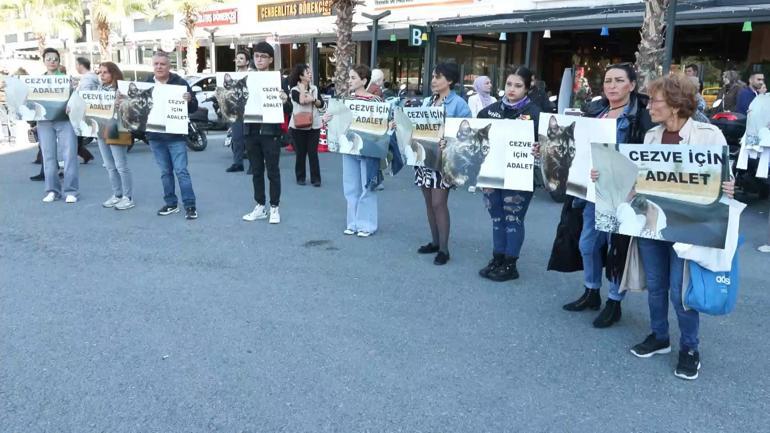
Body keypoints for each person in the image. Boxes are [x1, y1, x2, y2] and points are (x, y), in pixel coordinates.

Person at [592, 74, 734, 380]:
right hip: (652, 224)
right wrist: (603, 176)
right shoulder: (652, 136)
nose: (649, 107)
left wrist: (728, 188)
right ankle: (659, 336)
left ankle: (690, 348)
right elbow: (640, 180)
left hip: (687, 229)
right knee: (656, 285)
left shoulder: (709, 135)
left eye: (655, 101)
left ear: (676, 104)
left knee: (680, 292)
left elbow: (724, 180)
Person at [560, 63, 654, 328]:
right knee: (587, 244)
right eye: (608, 80)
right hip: (592, 192)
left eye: (619, 80)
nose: (612, 85)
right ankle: (591, 291)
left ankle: (614, 301)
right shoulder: (595, 112)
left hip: (623, 194)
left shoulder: (642, 117)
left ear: (632, 85)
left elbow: (646, 156)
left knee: (617, 249)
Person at [476, 66, 540, 281]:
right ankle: (498, 258)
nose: (512, 89)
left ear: (527, 88)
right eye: (509, 84)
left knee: (513, 217)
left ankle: (511, 264)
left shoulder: (535, 113)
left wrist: (539, 148)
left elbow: (547, 145)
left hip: (520, 175)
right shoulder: (489, 111)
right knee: (496, 216)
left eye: (518, 85)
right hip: (492, 173)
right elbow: (475, 138)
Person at [415, 63, 472, 264]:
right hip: (424, 157)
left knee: (438, 203)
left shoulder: (459, 104)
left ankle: (444, 249)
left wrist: (449, 140)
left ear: (450, 80)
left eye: (438, 77)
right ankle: (435, 242)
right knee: (428, 202)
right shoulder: (428, 101)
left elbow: (467, 133)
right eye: (432, 76)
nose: (433, 80)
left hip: (445, 160)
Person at [326, 64, 383, 237]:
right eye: (349, 78)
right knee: (351, 186)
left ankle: (366, 225)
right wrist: (328, 118)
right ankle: (353, 223)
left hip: (368, 149)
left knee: (367, 185)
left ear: (364, 81)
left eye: (353, 78)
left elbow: (382, 123)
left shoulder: (375, 101)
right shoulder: (345, 100)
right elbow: (336, 122)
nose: (349, 81)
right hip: (349, 147)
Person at [145, 51, 199, 220]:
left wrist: (189, 99)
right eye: (156, 64)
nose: (159, 67)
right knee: (165, 172)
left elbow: (194, 107)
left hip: (175, 136)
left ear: (169, 66)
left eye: (163, 64)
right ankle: (171, 204)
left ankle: (190, 206)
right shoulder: (146, 83)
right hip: (155, 136)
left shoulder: (180, 83)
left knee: (181, 171)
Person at [241, 42, 289, 224]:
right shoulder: (246, 78)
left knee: (273, 171)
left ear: (270, 59)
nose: (259, 59)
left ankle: (274, 207)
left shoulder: (279, 80)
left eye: (263, 56)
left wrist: (285, 100)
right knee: (256, 171)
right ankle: (260, 205)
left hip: (270, 132)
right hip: (251, 130)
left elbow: (289, 108)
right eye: (256, 56)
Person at [37, 48, 79, 203]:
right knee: (48, 156)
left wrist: (75, 89)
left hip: (64, 119)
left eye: (55, 59)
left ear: (59, 62)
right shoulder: (37, 81)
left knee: (69, 155)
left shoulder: (67, 79)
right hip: (45, 121)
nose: (52, 62)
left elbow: (76, 99)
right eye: (48, 59)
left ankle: (71, 191)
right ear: (44, 61)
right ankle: (52, 190)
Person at [94, 62, 134, 210]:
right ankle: (117, 194)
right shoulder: (98, 89)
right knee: (110, 166)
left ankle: (128, 197)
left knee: (120, 166)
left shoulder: (121, 90)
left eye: (105, 72)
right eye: (100, 72)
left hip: (117, 128)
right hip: (101, 129)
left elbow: (131, 110)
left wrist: (120, 104)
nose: (102, 75)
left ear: (113, 73)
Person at [288, 63, 325, 187]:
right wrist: (303, 89)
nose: (310, 74)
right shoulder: (294, 90)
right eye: (307, 72)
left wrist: (313, 99)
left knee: (313, 153)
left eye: (310, 72)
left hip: (314, 125)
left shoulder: (314, 88)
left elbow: (321, 104)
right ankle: (300, 177)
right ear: (300, 76)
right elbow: (302, 101)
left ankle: (316, 179)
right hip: (298, 125)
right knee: (301, 152)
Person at [225, 50, 253, 173]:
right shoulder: (232, 76)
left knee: (250, 139)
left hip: (250, 110)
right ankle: (238, 163)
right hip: (236, 111)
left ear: (247, 62)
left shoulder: (252, 75)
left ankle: (253, 164)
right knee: (236, 138)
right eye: (237, 58)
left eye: (241, 58)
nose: (238, 60)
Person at [73, 57, 97, 164]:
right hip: (88, 110)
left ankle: (82, 156)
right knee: (77, 137)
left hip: (83, 111)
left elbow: (84, 96)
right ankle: (85, 155)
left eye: (76, 65)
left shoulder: (87, 79)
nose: (76, 67)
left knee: (75, 137)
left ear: (80, 65)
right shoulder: (92, 77)